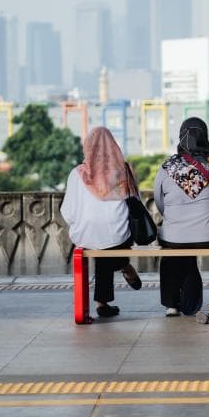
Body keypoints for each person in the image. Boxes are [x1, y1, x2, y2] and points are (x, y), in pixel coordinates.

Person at [154, 117, 209, 317]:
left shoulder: (167, 167)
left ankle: (172, 304)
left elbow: (160, 203)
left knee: (171, 253)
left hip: (175, 238)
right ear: (205, 137)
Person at [60, 126, 142, 318]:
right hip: (119, 236)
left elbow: (67, 212)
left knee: (100, 241)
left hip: (85, 235)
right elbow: (136, 202)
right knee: (110, 239)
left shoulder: (76, 174)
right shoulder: (123, 170)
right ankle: (124, 265)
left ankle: (102, 303)